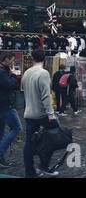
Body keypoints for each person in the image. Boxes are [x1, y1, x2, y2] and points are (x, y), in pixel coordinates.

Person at [22, 49, 59, 178]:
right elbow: (45, 97)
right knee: (55, 137)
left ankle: (29, 172)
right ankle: (43, 165)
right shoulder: (43, 73)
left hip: (29, 113)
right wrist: (51, 114)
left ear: (32, 58)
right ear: (45, 59)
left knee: (28, 144)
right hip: (42, 114)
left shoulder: (26, 73)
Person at [0, 51, 22, 169]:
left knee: (1, 132)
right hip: (6, 106)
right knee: (17, 128)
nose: (13, 62)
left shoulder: (3, 71)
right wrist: (13, 74)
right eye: (12, 60)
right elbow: (11, 84)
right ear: (6, 59)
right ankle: (0, 154)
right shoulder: (2, 72)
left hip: (2, 105)